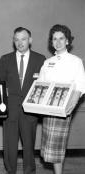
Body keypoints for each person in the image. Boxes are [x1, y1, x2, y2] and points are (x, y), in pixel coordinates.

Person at [38, 24, 85, 174]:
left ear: (67, 41)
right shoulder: (47, 62)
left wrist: (71, 105)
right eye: (54, 39)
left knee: (58, 146)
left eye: (61, 39)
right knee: (50, 148)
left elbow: (80, 85)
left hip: (64, 107)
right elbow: (41, 84)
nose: (57, 42)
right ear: (51, 42)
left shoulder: (75, 61)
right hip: (48, 109)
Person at [0, 27, 46, 174]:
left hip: (30, 111)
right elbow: (2, 85)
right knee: (9, 145)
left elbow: (43, 86)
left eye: (23, 39)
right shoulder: (5, 59)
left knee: (29, 145)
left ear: (30, 40)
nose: (20, 42)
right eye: (17, 39)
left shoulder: (40, 59)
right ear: (13, 41)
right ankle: (10, 170)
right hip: (10, 110)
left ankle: (29, 171)